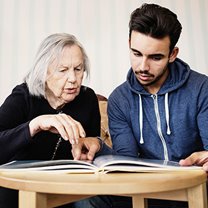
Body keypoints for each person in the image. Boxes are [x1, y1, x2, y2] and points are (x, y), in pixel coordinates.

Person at [72, 3, 208, 208]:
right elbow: (125, 160)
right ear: (129, 44)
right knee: (85, 201)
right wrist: (99, 146)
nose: (143, 67)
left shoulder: (201, 88)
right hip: (146, 192)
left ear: (173, 54)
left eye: (155, 57)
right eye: (136, 54)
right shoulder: (120, 99)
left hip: (194, 189)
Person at [0, 33, 101, 208]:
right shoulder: (23, 97)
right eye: (63, 70)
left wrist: (92, 147)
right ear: (43, 72)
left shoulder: (87, 99)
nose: (73, 79)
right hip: (18, 192)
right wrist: (34, 125)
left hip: (66, 191)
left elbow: (92, 153)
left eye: (78, 69)